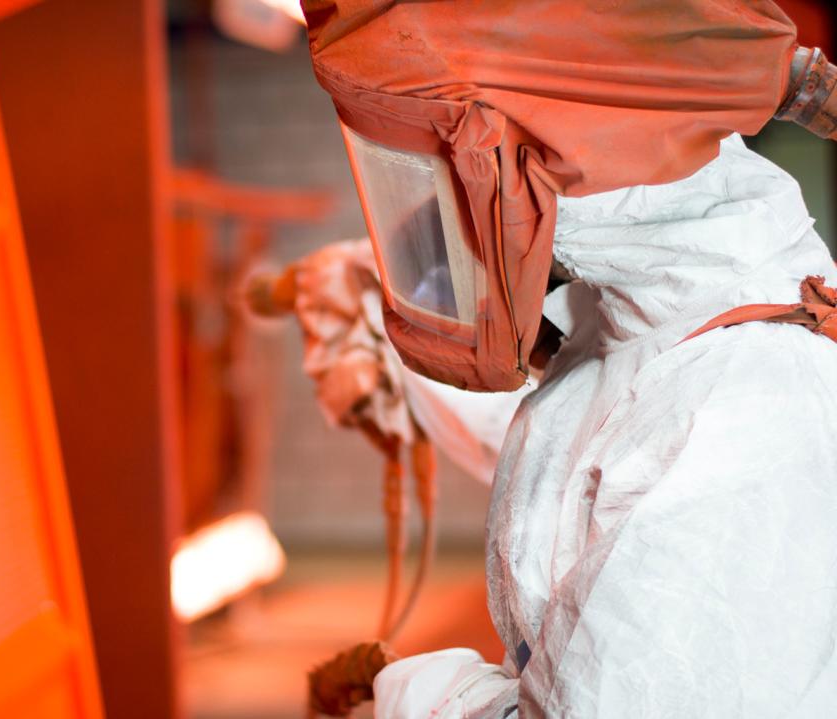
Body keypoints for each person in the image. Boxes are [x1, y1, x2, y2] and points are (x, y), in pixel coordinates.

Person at [299, 1, 837, 715]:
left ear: (558, 150)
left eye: (451, 166)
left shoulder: (750, 408)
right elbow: (587, 454)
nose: (446, 202)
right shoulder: (645, 324)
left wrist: (413, 695)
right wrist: (375, 308)